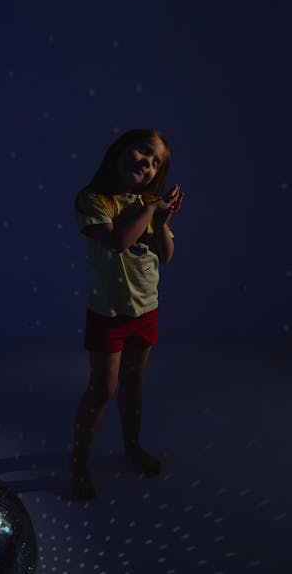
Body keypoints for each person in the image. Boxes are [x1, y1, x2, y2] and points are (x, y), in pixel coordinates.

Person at [69, 127, 184, 500]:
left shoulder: (148, 204)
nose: (148, 165)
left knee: (134, 386)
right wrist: (151, 209)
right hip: (108, 313)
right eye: (142, 152)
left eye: (156, 163)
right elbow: (118, 241)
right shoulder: (94, 200)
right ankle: (80, 462)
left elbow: (164, 256)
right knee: (103, 389)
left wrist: (162, 222)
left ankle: (131, 447)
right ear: (119, 150)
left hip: (145, 310)